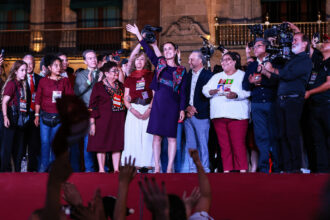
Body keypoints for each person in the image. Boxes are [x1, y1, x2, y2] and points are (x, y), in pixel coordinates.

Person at [126, 23, 187, 173]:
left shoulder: (181, 70)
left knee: (172, 138)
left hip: (173, 105)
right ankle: (158, 167)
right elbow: (148, 50)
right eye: (164, 49)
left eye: (170, 49)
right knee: (156, 137)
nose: (167, 51)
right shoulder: (159, 64)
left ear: (175, 51)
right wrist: (138, 35)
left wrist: (182, 109)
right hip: (158, 104)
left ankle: (170, 167)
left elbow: (184, 91)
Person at [260, 33, 313, 173]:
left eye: (296, 40)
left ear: (304, 44)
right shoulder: (291, 59)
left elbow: (288, 75)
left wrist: (272, 70)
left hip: (293, 100)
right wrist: (267, 72)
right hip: (282, 100)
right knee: (282, 134)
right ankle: (287, 167)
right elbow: (280, 77)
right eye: (293, 40)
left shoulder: (305, 60)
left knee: (292, 134)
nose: (293, 42)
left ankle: (295, 167)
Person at [203, 52, 250, 173]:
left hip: (238, 116)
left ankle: (242, 170)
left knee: (238, 145)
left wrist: (236, 95)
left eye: (228, 59)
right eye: (222, 60)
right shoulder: (217, 76)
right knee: (224, 146)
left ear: (235, 62)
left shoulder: (242, 75)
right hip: (219, 116)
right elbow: (205, 89)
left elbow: (249, 92)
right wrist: (211, 91)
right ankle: (227, 171)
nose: (224, 62)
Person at [242, 38, 280, 173]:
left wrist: (263, 78)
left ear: (266, 47)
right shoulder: (252, 66)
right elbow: (244, 85)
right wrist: (252, 82)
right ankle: (263, 168)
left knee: (275, 135)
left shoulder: (275, 62)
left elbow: (280, 82)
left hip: (272, 103)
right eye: (254, 47)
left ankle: (276, 167)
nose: (255, 49)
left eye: (258, 46)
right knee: (260, 137)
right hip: (257, 105)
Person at [34, 55, 74, 172]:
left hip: (60, 117)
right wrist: (36, 115)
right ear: (49, 68)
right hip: (44, 116)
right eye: (55, 65)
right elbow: (38, 99)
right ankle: (43, 167)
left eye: (59, 65)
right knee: (45, 142)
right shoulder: (43, 81)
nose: (58, 68)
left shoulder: (65, 81)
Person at [121, 44, 154, 170]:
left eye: (142, 59)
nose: (139, 62)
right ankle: (133, 163)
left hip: (148, 107)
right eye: (137, 59)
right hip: (134, 108)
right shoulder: (130, 77)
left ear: (145, 61)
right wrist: (131, 108)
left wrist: (150, 109)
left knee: (147, 137)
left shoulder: (151, 75)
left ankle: (148, 163)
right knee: (132, 136)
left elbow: (155, 95)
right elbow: (126, 96)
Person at [88, 61, 125, 172]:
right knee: (101, 144)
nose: (116, 74)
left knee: (117, 143)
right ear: (106, 73)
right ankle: (101, 169)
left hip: (118, 119)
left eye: (117, 71)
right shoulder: (98, 86)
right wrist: (92, 123)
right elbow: (92, 105)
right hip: (102, 120)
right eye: (113, 72)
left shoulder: (120, 85)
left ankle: (116, 169)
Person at [304, 35, 330, 173]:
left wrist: (310, 92)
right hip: (314, 106)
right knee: (317, 140)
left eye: (327, 42)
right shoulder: (319, 62)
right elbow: (310, 49)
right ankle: (322, 169)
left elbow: (329, 84)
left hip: (327, 104)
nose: (324, 44)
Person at [74, 49, 102, 172]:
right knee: (88, 142)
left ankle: (103, 169)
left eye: (94, 57)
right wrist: (88, 82)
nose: (93, 60)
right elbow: (77, 92)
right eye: (90, 58)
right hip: (86, 112)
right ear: (85, 61)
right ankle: (89, 170)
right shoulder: (81, 75)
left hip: (101, 111)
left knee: (102, 140)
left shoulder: (102, 73)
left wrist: (102, 82)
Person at [184, 50, 213, 173]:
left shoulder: (209, 76)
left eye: (192, 59)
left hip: (202, 114)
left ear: (200, 61)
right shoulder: (187, 75)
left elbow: (210, 97)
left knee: (203, 143)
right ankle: (192, 168)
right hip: (187, 115)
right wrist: (187, 107)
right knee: (190, 144)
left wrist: (195, 109)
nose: (189, 61)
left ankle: (205, 168)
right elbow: (183, 94)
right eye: (189, 59)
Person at [0, 60, 28, 172]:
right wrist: (5, 117)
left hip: (20, 119)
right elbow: (4, 102)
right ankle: (4, 172)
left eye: (25, 70)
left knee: (19, 148)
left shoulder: (22, 84)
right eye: (22, 70)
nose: (24, 72)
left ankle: (17, 171)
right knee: (7, 147)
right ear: (15, 71)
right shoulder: (12, 83)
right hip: (10, 117)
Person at [23, 54, 42, 172]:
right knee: (21, 144)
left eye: (31, 63)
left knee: (34, 144)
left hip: (36, 115)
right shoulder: (19, 78)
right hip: (23, 115)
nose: (29, 66)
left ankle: (32, 169)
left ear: (34, 64)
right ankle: (21, 168)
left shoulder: (40, 79)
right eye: (26, 63)